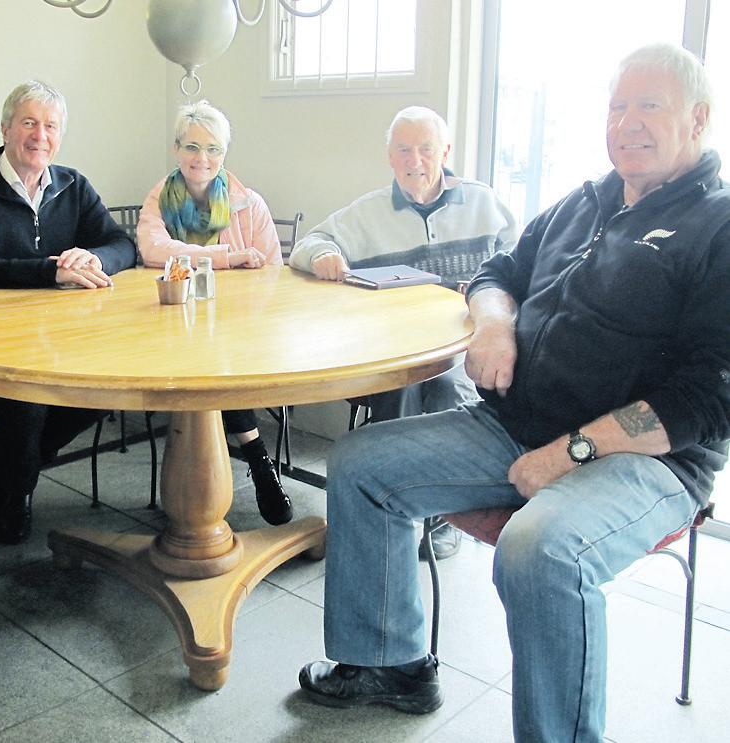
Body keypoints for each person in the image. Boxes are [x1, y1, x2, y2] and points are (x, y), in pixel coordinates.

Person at [299, 43, 730, 743]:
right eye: (617, 107)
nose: (627, 123)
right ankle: (389, 664)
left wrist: (572, 451)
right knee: (358, 463)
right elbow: (499, 270)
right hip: (515, 422)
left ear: (698, 119)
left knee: (538, 549)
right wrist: (495, 323)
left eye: (649, 106)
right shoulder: (585, 200)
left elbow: (710, 400)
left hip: (648, 460)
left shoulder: (718, 224)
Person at [290, 106, 519, 559]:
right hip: (397, 349)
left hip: (465, 348)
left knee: (448, 388)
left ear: (445, 153)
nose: (415, 161)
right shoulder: (367, 213)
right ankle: (385, 505)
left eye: (426, 149)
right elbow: (308, 243)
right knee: (399, 387)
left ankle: (444, 514)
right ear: (390, 157)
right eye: (404, 150)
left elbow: (522, 266)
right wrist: (322, 256)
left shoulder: (485, 205)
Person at [0, 80, 136, 545]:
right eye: (29, 123)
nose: (40, 135)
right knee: (28, 399)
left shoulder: (73, 185)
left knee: (109, 388)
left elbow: (123, 245)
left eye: (51, 126)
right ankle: (17, 490)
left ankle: (3, 463)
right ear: (5, 128)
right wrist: (49, 272)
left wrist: (93, 258)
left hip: (66, 340)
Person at [136, 99, 292, 526]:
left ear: (224, 154)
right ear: (176, 149)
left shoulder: (248, 203)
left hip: (238, 329)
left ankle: (257, 464)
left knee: (219, 364)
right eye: (191, 147)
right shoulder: (160, 197)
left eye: (212, 149)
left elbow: (273, 273)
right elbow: (153, 250)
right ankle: (259, 461)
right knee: (211, 365)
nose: (201, 158)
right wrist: (226, 257)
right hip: (168, 330)